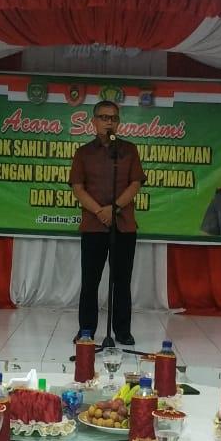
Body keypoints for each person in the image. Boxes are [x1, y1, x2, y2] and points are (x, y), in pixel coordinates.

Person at [69, 100, 146, 345]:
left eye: (113, 118)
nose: (108, 122)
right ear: (94, 122)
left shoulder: (129, 150)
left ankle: (122, 331)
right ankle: (86, 330)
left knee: (122, 281)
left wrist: (115, 208)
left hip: (123, 225)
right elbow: (78, 188)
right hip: (93, 226)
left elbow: (135, 183)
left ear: (119, 122)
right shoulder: (83, 153)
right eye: (103, 117)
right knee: (90, 281)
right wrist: (99, 211)